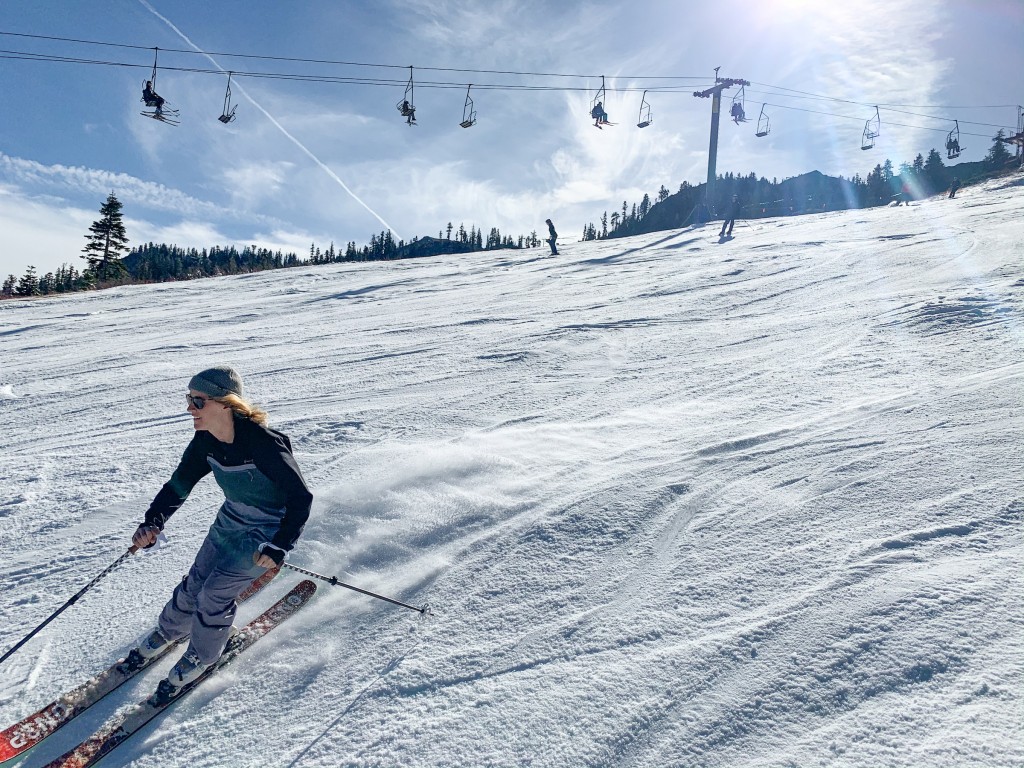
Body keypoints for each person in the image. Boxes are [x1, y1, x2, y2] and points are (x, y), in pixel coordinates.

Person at [128, 366, 312, 691]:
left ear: (225, 403)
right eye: (188, 399)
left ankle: (203, 655)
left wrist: (280, 544)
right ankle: (170, 630)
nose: (189, 408)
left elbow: (300, 496)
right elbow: (178, 484)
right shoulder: (204, 442)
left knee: (214, 594)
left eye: (197, 401)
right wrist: (152, 522)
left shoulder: (263, 443)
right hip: (230, 520)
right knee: (195, 582)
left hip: (266, 529)